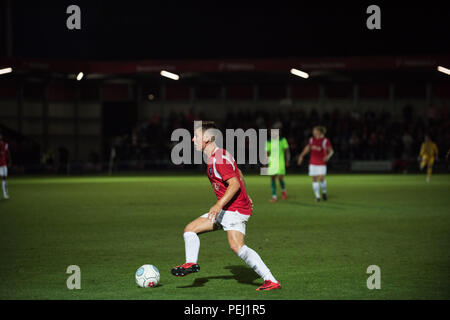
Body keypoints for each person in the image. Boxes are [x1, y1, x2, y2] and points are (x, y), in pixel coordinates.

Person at [171, 121, 281, 291]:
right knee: (190, 229)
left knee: (237, 246)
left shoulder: (218, 159)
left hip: (234, 209)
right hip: (228, 208)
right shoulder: (219, 155)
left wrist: (219, 204)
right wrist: (246, 195)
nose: (192, 139)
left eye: (197, 136)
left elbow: (234, 183)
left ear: (207, 138)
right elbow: (238, 173)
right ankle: (190, 263)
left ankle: (270, 280)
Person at [297, 126, 334, 202]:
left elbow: (331, 151)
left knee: (321, 178)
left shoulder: (325, 140)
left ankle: (324, 192)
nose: (313, 132)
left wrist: (328, 156)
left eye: (315, 131)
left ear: (319, 132)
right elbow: (307, 148)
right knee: (314, 179)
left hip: (321, 163)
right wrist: (301, 155)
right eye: (313, 131)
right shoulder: (311, 140)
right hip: (313, 163)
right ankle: (317, 196)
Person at [266, 122, 290, 202]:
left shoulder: (282, 140)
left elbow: (287, 151)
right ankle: (274, 196)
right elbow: (267, 153)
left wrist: (287, 160)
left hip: (280, 162)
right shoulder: (268, 141)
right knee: (272, 179)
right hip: (272, 163)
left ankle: (283, 191)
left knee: (280, 178)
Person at [0, 133, 12, 200]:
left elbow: (8, 153)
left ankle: (5, 194)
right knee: (3, 178)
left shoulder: (5, 144)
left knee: (4, 178)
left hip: (3, 164)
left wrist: (10, 161)